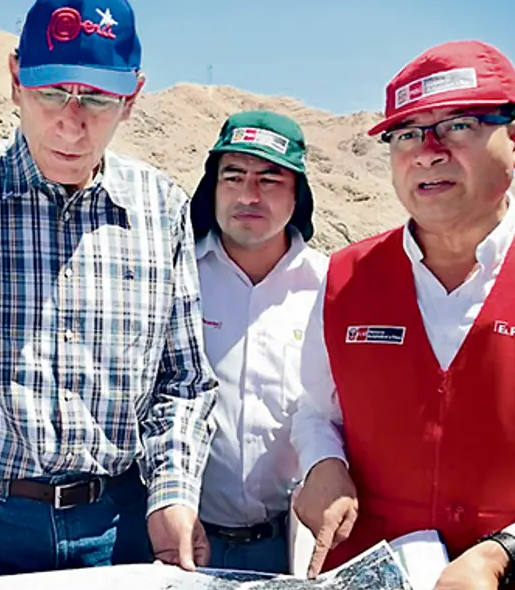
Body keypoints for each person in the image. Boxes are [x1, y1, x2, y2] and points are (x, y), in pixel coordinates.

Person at [0, 0, 218, 583]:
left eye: (98, 99)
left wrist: (173, 495)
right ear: (16, 82)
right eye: (53, 93)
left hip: (120, 526)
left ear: (131, 99)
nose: (72, 124)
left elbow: (183, 381)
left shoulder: (162, 208)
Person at [290, 40, 515, 590]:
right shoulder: (345, 276)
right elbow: (315, 411)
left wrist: (508, 553)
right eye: (405, 134)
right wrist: (321, 463)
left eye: (457, 126)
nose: (426, 152)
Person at [190, 111, 327, 573]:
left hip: (288, 544)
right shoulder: (175, 277)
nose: (248, 195)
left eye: (270, 179)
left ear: (297, 195)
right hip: (182, 536)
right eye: (234, 176)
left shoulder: (332, 287)